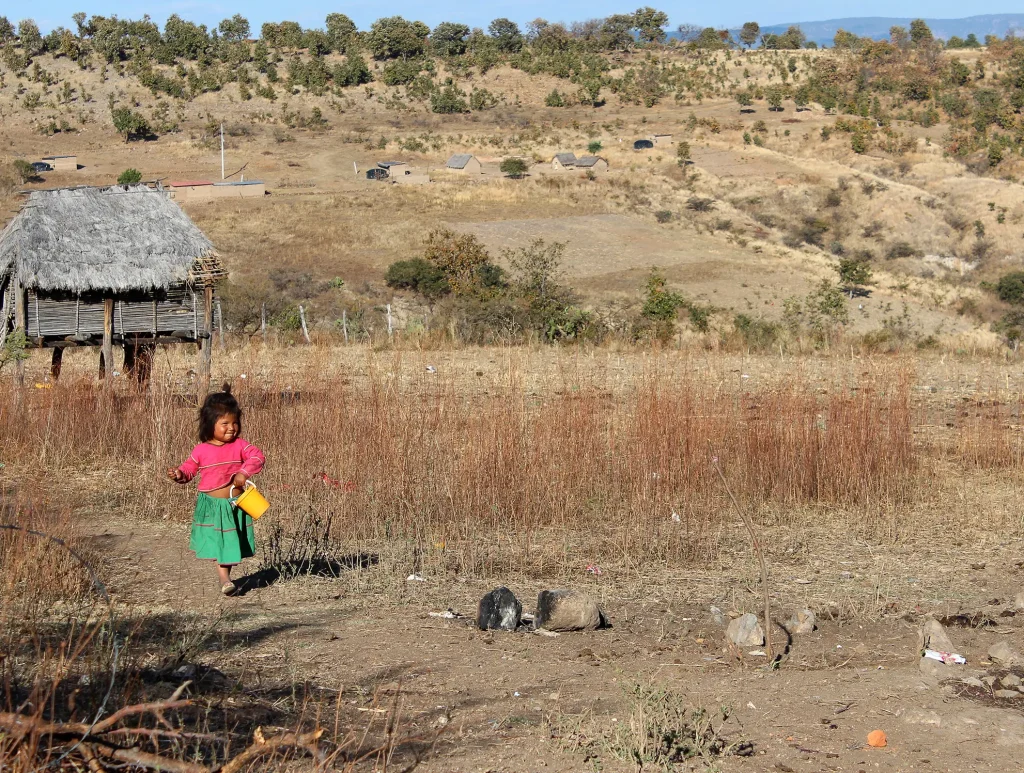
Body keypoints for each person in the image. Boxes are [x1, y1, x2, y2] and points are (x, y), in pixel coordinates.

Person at [168, 384, 265, 596]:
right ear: (210, 423)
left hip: (233, 505)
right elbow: (189, 469)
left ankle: (225, 578)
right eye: (225, 423)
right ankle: (225, 579)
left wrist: (244, 472)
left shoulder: (240, 445)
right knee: (220, 542)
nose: (232, 428)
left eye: (235, 423)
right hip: (212, 505)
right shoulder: (201, 450)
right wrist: (179, 474)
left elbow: (257, 457)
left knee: (228, 541)